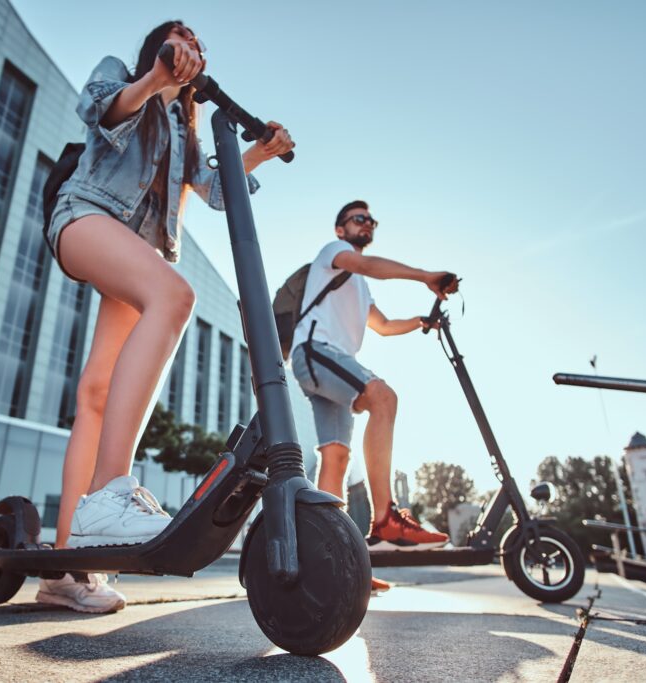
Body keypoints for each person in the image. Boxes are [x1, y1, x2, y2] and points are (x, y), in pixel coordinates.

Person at [35, 21, 294, 613]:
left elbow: (215, 188)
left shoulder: (184, 127)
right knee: (176, 298)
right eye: (178, 36)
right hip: (84, 218)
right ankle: (109, 493)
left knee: (95, 394)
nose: (189, 43)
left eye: (197, 41)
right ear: (160, 46)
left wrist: (262, 152)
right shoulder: (124, 77)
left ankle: (67, 567)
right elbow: (99, 110)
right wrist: (156, 76)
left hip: (135, 250)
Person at [289, 200, 457, 594]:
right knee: (383, 397)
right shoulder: (334, 254)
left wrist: (421, 321)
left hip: (329, 363)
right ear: (340, 229)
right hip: (316, 351)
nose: (367, 224)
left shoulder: (360, 288)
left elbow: (381, 326)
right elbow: (366, 265)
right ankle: (385, 519)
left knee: (336, 457)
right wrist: (425, 276)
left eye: (371, 220)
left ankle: (332, 559)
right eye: (358, 219)